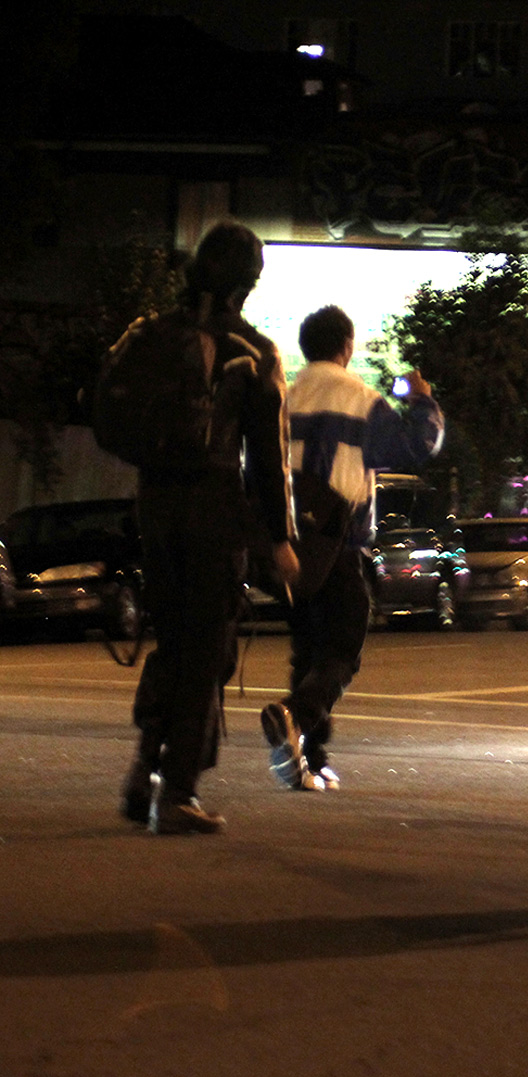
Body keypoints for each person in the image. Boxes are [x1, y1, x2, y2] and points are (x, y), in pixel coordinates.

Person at [120, 222, 298, 834]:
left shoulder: (152, 335)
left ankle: (144, 769)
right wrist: (280, 539)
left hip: (154, 504)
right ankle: (178, 792)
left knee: (173, 640)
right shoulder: (253, 352)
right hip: (212, 510)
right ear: (246, 284)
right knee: (207, 650)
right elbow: (270, 458)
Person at [259, 305, 443, 791]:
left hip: (290, 547)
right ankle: (294, 716)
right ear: (347, 346)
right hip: (340, 542)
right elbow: (417, 447)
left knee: (307, 652)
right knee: (342, 647)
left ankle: (308, 759)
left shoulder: (285, 398)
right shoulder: (361, 399)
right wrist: (422, 400)